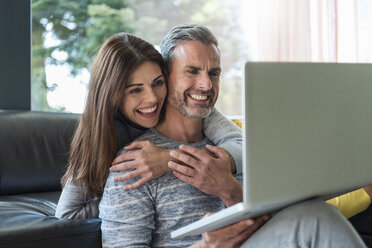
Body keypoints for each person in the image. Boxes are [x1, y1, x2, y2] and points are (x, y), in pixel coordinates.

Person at [99, 24, 367, 248]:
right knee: (317, 220)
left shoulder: (231, 150)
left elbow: (275, 224)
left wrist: (228, 189)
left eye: (213, 73)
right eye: (192, 71)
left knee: (316, 213)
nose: (206, 85)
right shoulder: (136, 164)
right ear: (165, 78)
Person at [55, 32, 243, 220]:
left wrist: (167, 159)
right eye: (135, 90)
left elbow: (244, 145)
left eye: (158, 83)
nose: (152, 98)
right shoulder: (103, 130)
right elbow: (67, 213)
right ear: (112, 94)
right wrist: (126, 202)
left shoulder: (188, 109)